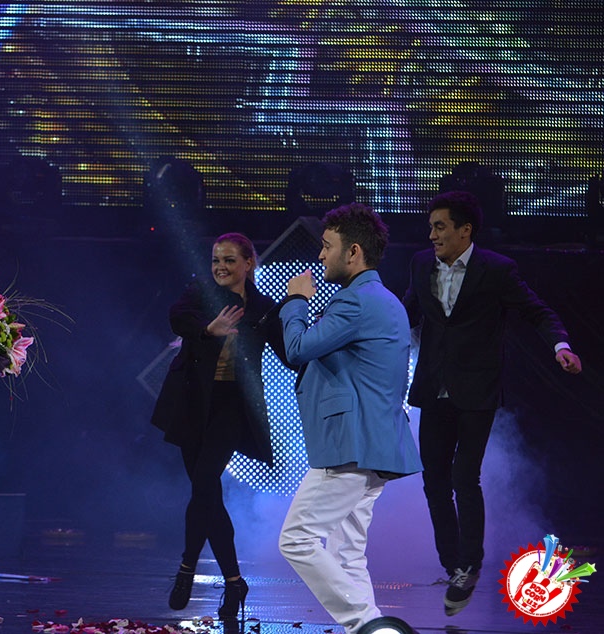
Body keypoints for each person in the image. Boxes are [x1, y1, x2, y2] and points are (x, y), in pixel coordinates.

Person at [402, 190, 582, 616]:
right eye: (430, 227)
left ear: (465, 230)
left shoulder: (497, 270)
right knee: (434, 481)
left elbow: (537, 311)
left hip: (476, 392)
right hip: (433, 388)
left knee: (464, 477)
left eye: (440, 227)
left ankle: (470, 564)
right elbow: (406, 312)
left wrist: (560, 345)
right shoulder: (421, 264)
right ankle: (453, 564)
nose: (432, 235)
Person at [278, 203, 422, 634]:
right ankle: (369, 629)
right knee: (347, 553)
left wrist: (296, 301)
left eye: (327, 246)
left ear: (353, 251)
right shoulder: (384, 300)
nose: (321, 255)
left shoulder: (355, 302)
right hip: (374, 445)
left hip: (350, 446)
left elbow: (297, 349)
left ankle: (369, 624)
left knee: (297, 539)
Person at [151, 232, 290, 620]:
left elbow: (290, 352)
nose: (221, 267)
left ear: (249, 263)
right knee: (207, 493)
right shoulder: (200, 293)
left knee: (204, 483)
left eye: (229, 260)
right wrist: (207, 330)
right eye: (216, 260)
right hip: (191, 403)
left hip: (231, 407)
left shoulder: (263, 308)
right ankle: (234, 582)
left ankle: (186, 569)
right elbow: (177, 316)